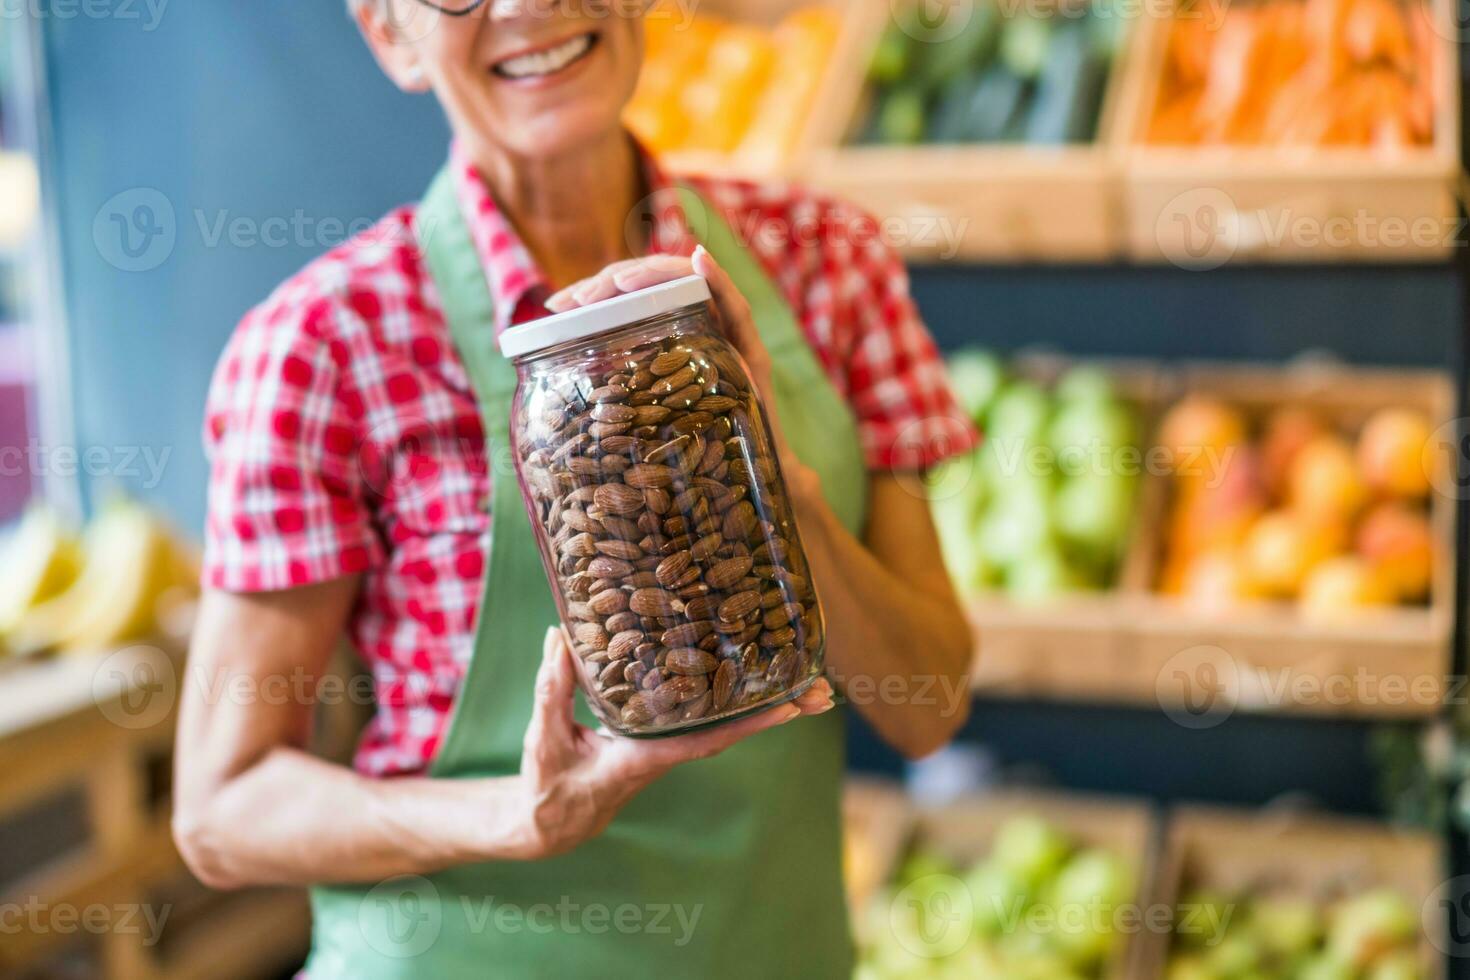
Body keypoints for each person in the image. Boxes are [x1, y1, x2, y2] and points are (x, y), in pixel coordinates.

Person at [173, 1, 978, 976]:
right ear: (390, 33)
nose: (525, 6)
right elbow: (222, 807)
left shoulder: (826, 262)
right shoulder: (322, 346)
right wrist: (517, 815)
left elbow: (928, 703)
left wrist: (778, 479)